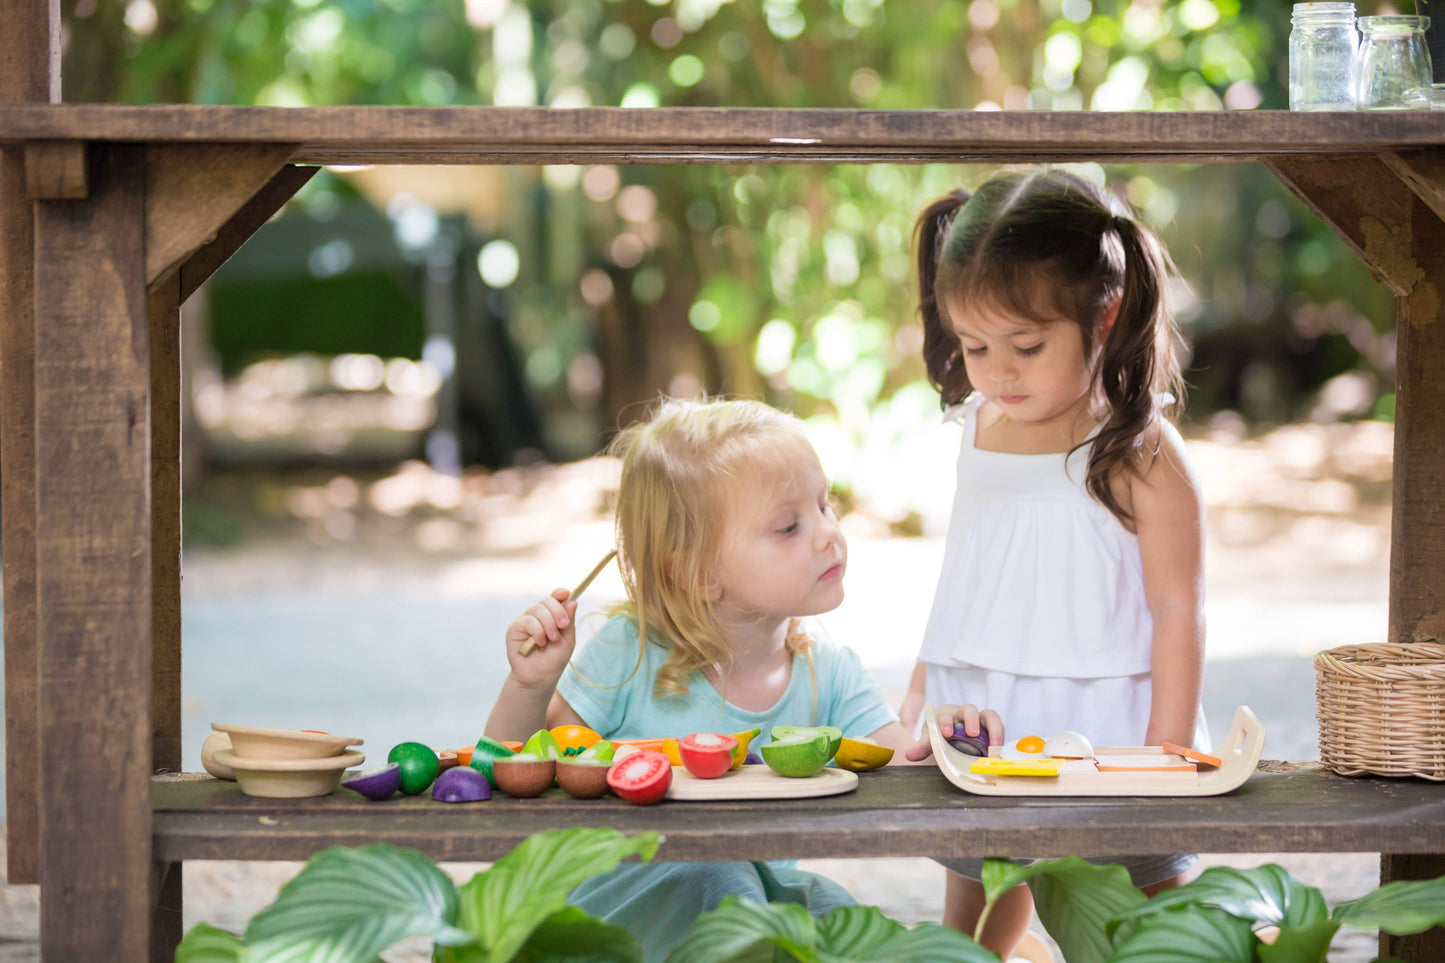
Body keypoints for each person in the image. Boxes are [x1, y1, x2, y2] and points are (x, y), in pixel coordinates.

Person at [485, 396, 987, 963]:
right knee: (722, 885)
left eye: (826, 505)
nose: (827, 533)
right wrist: (529, 687)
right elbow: (520, 769)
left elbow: (906, 765)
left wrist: (956, 737)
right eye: (789, 526)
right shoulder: (627, 654)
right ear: (697, 573)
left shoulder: (829, 671)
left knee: (836, 915)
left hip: (749, 902)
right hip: (609, 911)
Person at [898, 168, 1210, 958]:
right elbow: (968, 570)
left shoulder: (1137, 448)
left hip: (1107, 721)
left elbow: (1179, 609)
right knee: (974, 913)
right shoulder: (976, 428)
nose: (998, 371)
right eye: (975, 346)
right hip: (987, 714)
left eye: (1027, 346)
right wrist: (922, 685)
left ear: (1102, 316)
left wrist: (1165, 753)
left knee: (1145, 920)